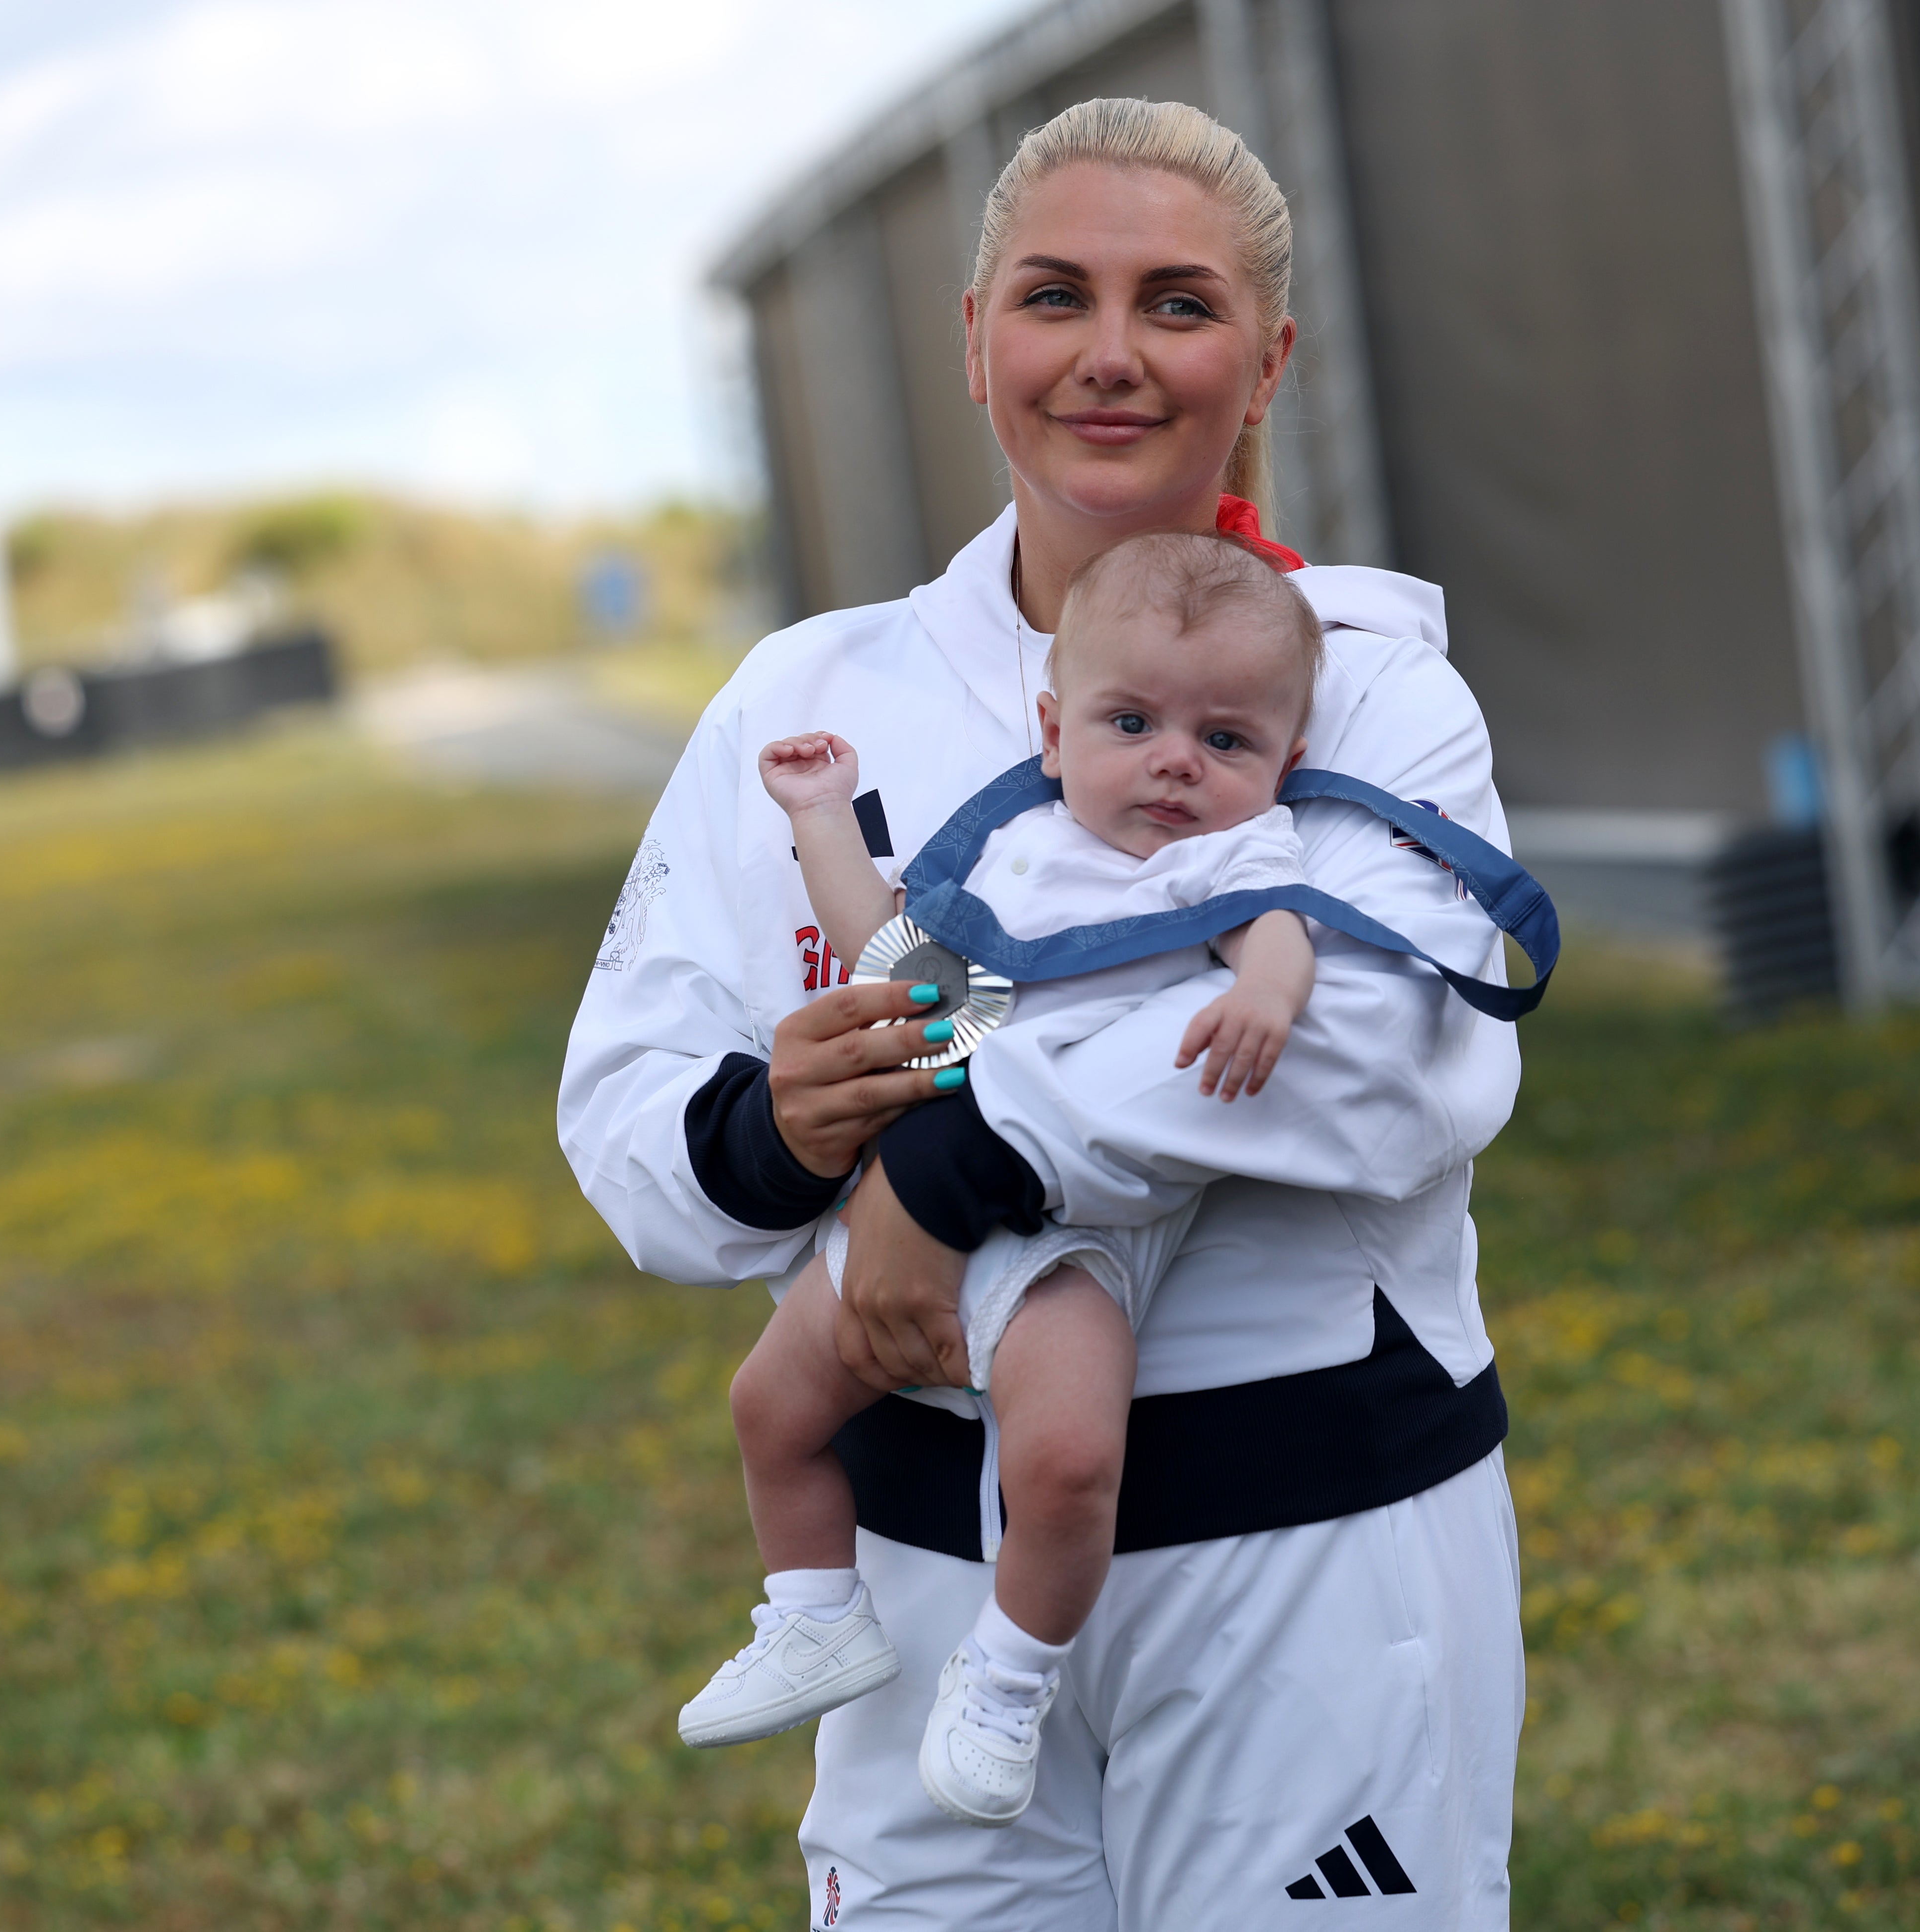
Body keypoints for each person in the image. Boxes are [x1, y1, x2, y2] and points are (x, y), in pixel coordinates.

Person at [560, 96, 1525, 1928]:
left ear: (1267, 362)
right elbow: (630, 1116)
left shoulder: (1379, 694)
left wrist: (951, 1166)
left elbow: (1402, 1060)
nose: (1107, 357)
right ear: (974, 335)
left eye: (1176, 305)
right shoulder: (812, 691)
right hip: (925, 1561)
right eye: (1052, 297)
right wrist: (786, 1122)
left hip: (1303, 1542)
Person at [675, 532, 1326, 1833]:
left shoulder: (1217, 863)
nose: (1175, 762)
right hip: (909, 1195)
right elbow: (896, 960)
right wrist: (819, 818)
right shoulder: (1015, 858)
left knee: (1071, 1459)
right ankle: (812, 1613)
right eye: (1130, 720)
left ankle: (1008, 1678)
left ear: (1283, 767)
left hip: (1057, 1237)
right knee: (770, 1405)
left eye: (1226, 740)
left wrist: (1264, 987)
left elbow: (1282, 924)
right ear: (1052, 731)